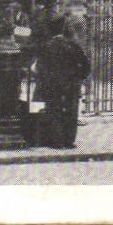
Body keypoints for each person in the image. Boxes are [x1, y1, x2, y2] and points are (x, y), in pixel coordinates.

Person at [35, 14, 91, 149]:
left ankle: (56, 140)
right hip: (71, 83)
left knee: (54, 110)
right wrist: (79, 78)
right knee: (71, 111)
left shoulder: (47, 46)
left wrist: (44, 81)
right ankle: (69, 140)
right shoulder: (73, 45)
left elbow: (40, 67)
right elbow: (85, 64)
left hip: (52, 84)